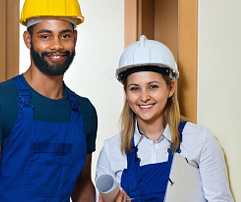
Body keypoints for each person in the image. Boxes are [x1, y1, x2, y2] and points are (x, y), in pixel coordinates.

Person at [0, 0, 97, 201]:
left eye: (65, 36)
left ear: (75, 39)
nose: (56, 45)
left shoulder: (84, 111)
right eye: (45, 36)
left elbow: (82, 184)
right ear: (28, 40)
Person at [95, 35, 234, 201]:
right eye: (135, 88)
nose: (144, 97)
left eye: (153, 86)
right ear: (126, 93)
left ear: (170, 88)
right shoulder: (112, 151)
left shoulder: (199, 140)